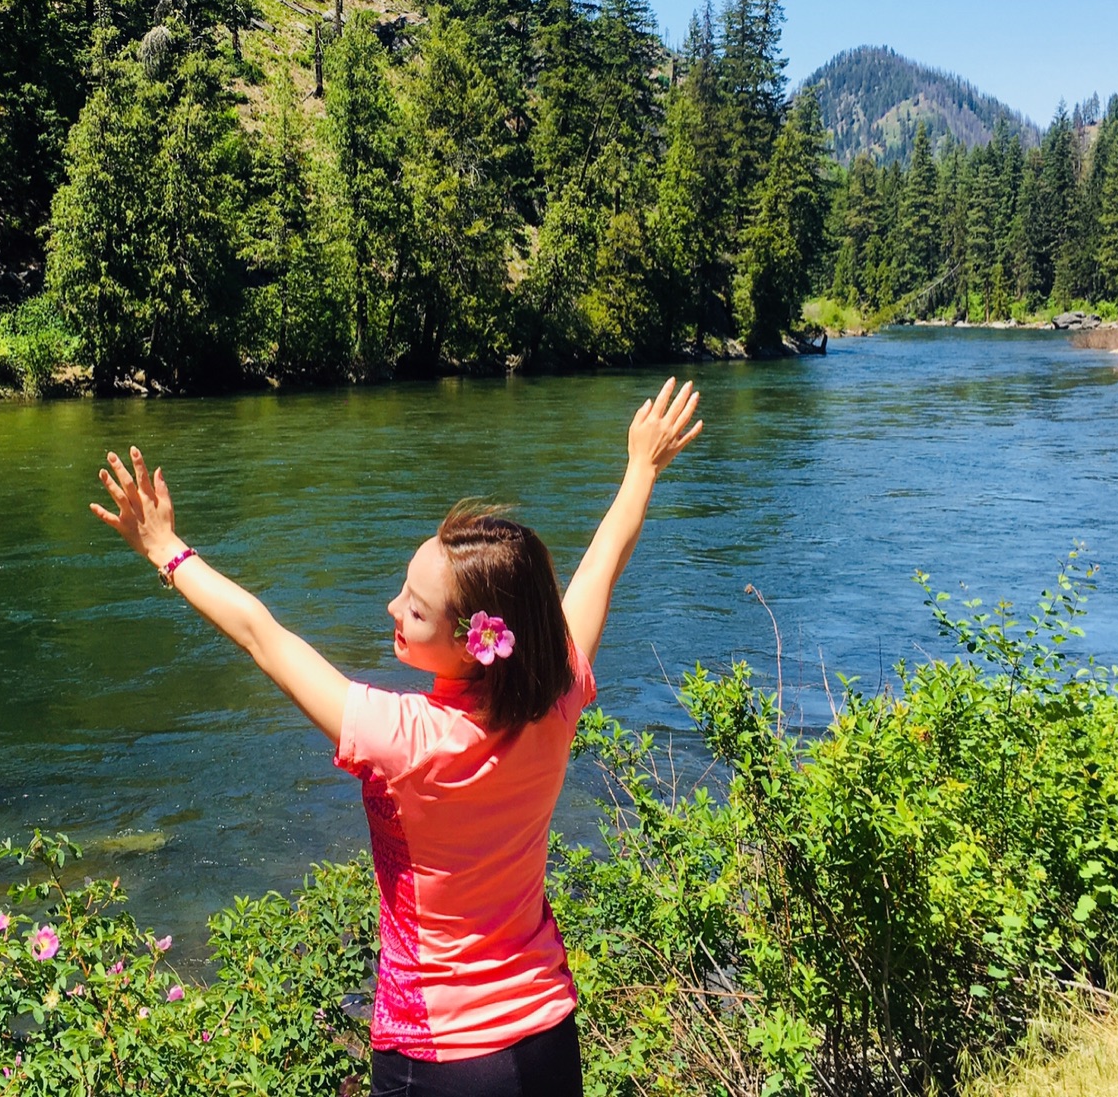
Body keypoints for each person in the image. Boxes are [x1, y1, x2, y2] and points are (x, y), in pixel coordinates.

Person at [90, 378, 704, 1097]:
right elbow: (600, 566)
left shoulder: (404, 737)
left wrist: (166, 548)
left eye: (413, 609)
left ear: (476, 641)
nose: (392, 607)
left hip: (439, 1057)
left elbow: (265, 637)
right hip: (546, 1036)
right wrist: (642, 467)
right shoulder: (557, 690)